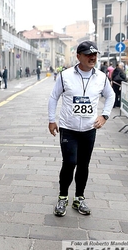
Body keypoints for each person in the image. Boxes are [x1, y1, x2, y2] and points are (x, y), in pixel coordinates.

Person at [48, 41, 115, 217]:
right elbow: (54, 97)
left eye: (94, 54)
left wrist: (105, 115)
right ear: (78, 56)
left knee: (84, 164)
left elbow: (111, 96)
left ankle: (79, 198)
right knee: (70, 163)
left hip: (89, 129)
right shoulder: (65, 75)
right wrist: (51, 120)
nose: (92, 57)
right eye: (87, 54)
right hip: (68, 128)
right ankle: (63, 198)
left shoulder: (101, 77)